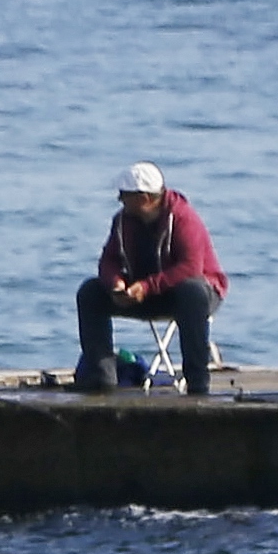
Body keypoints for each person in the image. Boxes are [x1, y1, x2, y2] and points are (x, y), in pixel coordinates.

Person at [70, 163, 228, 398]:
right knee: (90, 291)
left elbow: (190, 267)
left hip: (188, 294)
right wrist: (116, 284)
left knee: (191, 291)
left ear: (144, 198)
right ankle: (100, 377)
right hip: (141, 293)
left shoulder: (184, 219)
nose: (119, 199)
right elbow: (109, 259)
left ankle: (197, 383)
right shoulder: (122, 221)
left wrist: (147, 287)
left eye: (125, 195)